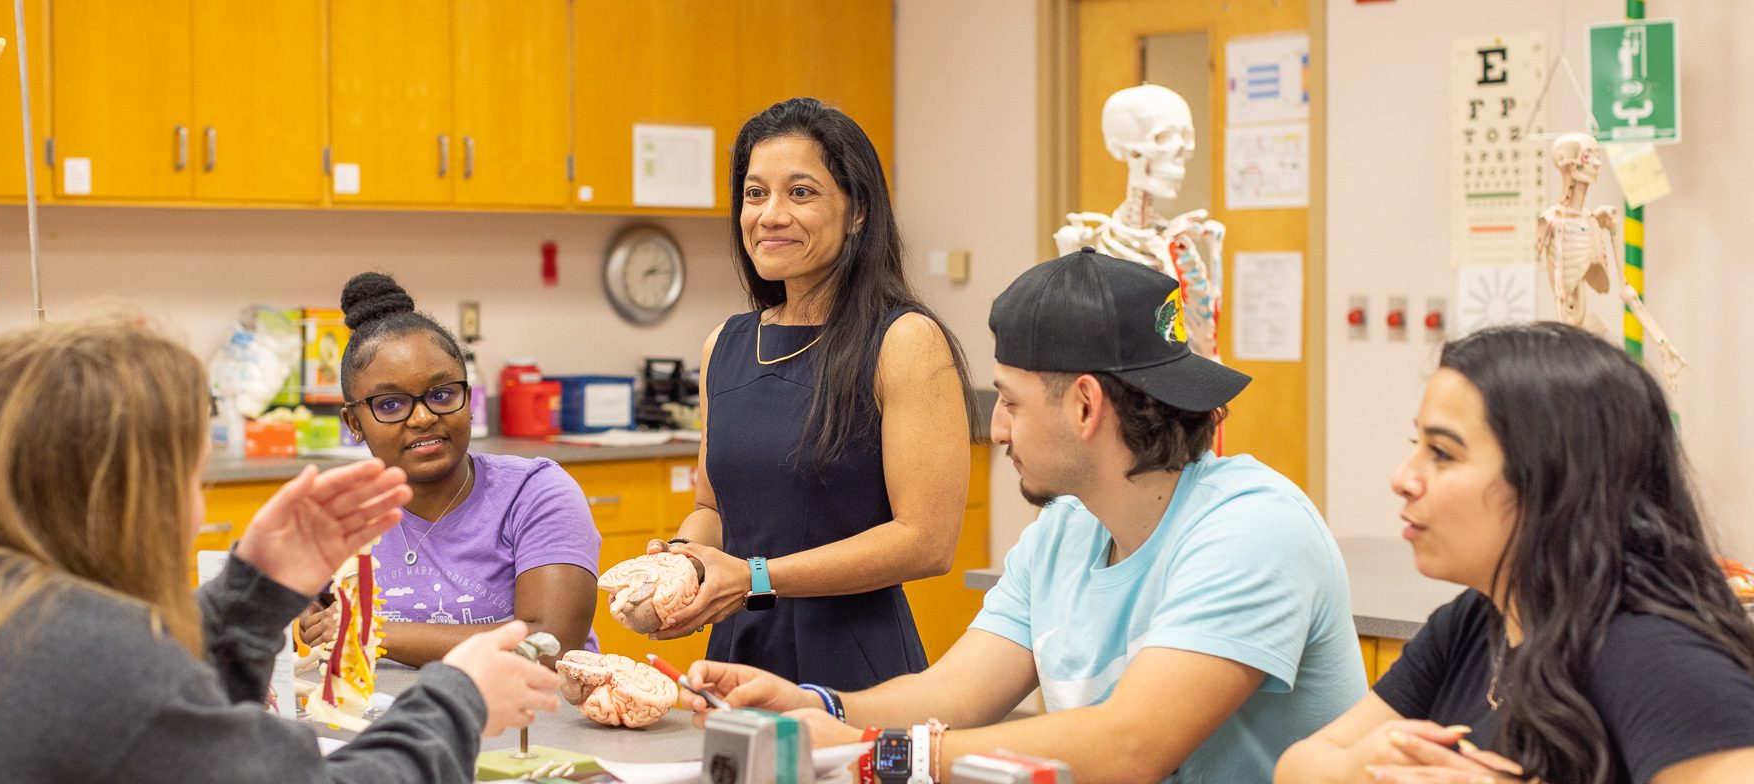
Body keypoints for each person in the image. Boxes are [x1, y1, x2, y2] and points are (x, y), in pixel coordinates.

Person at [0, 316, 561, 782]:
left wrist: (252, 594)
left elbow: (156, 722)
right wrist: (458, 698)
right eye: (193, 480)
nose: (198, 506)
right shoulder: (76, 649)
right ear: (135, 493)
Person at [682, 250, 1366, 782]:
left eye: (1009, 401)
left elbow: (1130, 748)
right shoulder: (1067, 532)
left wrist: (873, 752)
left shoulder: (1251, 530)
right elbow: (952, 693)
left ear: (1085, 406)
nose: (997, 430)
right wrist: (820, 709)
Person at [1277, 323, 1754, 784]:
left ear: (1552, 480)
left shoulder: (1656, 654)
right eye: (1415, 444)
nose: (1403, 478)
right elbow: (1298, 766)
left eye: (1442, 453)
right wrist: (1359, 770)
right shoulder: (1476, 619)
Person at [649, 97, 979, 690]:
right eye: (755, 194)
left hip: (854, 667)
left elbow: (927, 542)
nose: (770, 214)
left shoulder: (904, 341)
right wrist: (682, 561)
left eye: (800, 192)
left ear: (858, 212)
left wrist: (754, 577)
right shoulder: (725, 344)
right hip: (737, 656)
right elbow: (712, 509)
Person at [298, 273, 600, 666]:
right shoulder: (337, 509)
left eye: (442, 395)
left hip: (532, 719)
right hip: (390, 719)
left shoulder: (535, 492)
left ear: (469, 400)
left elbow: (548, 644)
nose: (423, 417)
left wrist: (374, 629)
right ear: (354, 423)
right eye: (390, 404)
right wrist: (301, 607)